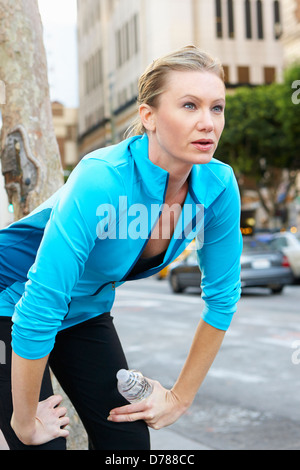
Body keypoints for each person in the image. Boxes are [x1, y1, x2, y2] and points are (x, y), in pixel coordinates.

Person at [0, 45, 242, 450]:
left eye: (216, 108)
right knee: (42, 444)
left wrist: (179, 398)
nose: (207, 123)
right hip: (11, 302)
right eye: (189, 105)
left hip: (84, 312)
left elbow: (222, 298)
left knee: (127, 440)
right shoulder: (102, 178)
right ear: (148, 116)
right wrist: (24, 423)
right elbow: (38, 306)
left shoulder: (218, 187)